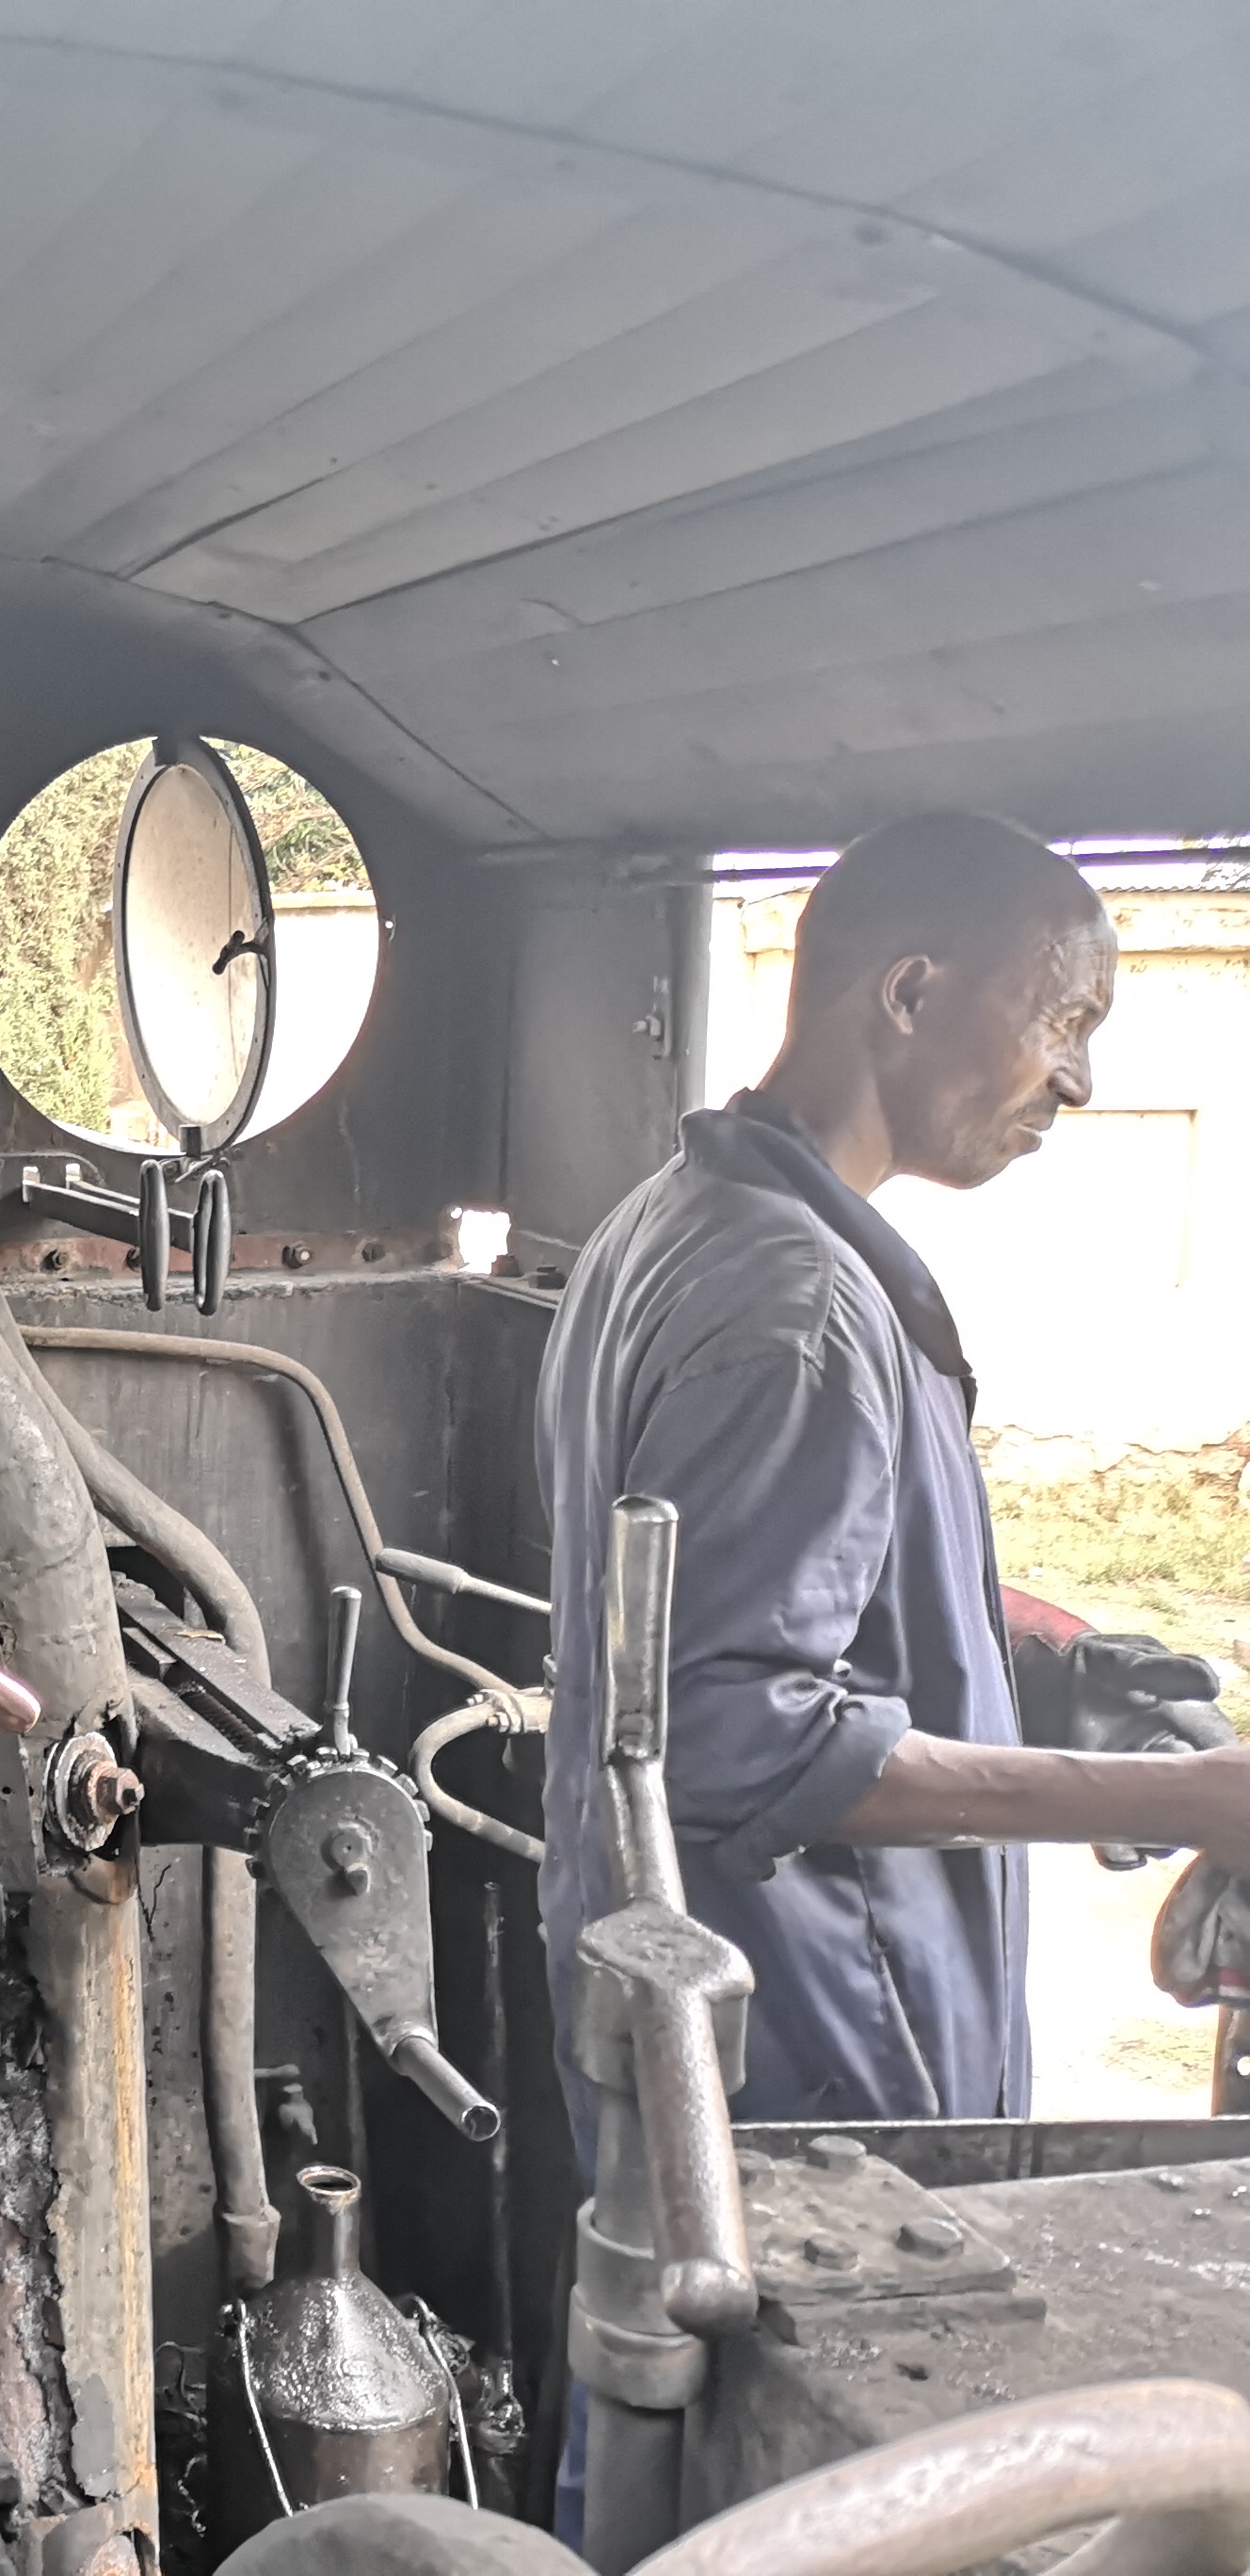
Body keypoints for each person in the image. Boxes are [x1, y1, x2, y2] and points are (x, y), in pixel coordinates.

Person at [532, 811, 1250, 2536]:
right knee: (833, 2497)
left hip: (695, 2008)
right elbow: (740, 1733)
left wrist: (1050, 1663)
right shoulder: (796, 1306)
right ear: (912, 994)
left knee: (662, 2439)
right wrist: (1192, 1796)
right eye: (1063, 1019)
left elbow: (804, 1588)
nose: (1078, 1080)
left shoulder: (678, 1220)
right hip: (817, 2035)